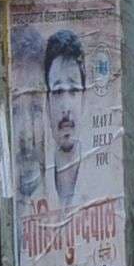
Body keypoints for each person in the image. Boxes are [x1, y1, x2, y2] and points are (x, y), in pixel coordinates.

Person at [43, 29, 89, 210]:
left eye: (74, 91)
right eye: (58, 91)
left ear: (84, 98)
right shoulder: (37, 183)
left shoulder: (101, 178)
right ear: (47, 101)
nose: (66, 107)